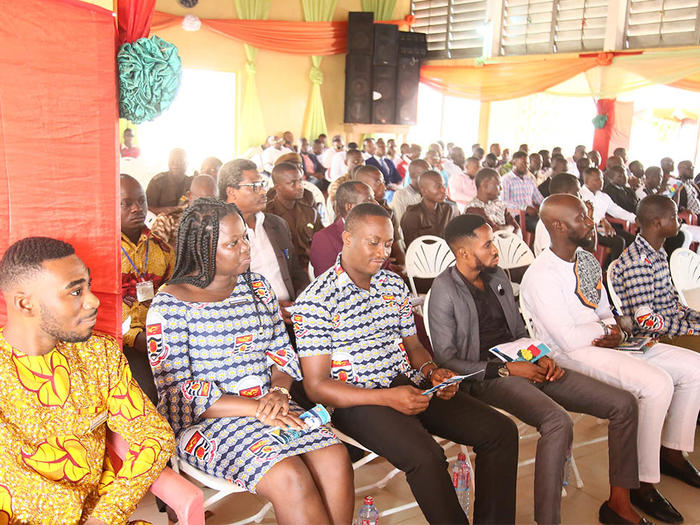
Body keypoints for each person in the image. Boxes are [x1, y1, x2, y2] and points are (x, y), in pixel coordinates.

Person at [294, 203, 519, 525]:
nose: (382, 252)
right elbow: (317, 387)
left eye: (387, 244)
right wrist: (386, 398)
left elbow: (413, 345)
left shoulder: (392, 285)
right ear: (346, 238)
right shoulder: (317, 300)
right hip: (356, 399)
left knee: (500, 431)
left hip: (409, 386)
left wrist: (432, 372)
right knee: (426, 457)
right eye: (374, 242)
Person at [146, 199, 353, 524]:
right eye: (233, 243)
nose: (246, 247)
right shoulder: (170, 306)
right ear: (203, 250)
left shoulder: (257, 286)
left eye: (245, 237)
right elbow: (177, 396)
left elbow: (281, 354)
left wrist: (279, 393)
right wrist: (255, 408)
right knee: (289, 476)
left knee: (335, 456)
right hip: (211, 423)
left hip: (274, 406)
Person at [429, 215, 643, 525]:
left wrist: (540, 355)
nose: (495, 249)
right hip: (486, 377)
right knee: (557, 421)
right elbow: (447, 360)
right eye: (487, 244)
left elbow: (518, 331)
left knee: (624, 404)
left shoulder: (498, 276)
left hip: (524, 363)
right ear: (463, 252)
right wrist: (505, 370)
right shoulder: (444, 290)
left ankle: (620, 504)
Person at [522, 194, 700, 524]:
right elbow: (568, 339)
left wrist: (613, 331)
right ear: (559, 226)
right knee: (657, 383)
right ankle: (642, 483)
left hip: (606, 342)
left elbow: (608, 313)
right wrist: (606, 329)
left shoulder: (587, 260)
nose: (591, 222)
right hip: (571, 356)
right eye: (582, 218)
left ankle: (672, 452)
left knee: (694, 368)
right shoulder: (541, 275)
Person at [0, 237, 174, 523]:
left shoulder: (99, 354)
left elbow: (153, 434)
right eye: (75, 292)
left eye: (89, 286)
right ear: (25, 304)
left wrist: (107, 514)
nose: (94, 300)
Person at [219, 159, 309, 327]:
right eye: (254, 186)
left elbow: (296, 272)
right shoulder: (218, 233)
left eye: (263, 184)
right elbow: (218, 290)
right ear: (232, 191)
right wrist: (268, 310)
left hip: (290, 318)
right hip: (247, 325)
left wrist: (303, 303)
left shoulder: (276, 224)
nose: (263, 191)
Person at [612, 195, 700, 352]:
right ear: (657, 223)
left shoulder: (657, 252)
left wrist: (696, 318)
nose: (679, 221)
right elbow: (646, 320)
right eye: (674, 217)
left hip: (670, 329)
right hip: (655, 339)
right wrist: (692, 328)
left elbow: (672, 305)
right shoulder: (639, 261)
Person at [120, 174, 175, 404]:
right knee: (148, 395)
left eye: (141, 201)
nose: (137, 209)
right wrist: (135, 337)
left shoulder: (161, 249)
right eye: (126, 203)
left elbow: (176, 295)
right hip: (123, 343)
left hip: (161, 337)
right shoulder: (102, 252)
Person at [309, 181, 377, 277]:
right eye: (369, 200)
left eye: (374, 198)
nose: (376, 204)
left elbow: (386, 271)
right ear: (349, 207)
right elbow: (326, 284)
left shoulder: (376, 230)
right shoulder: (324, 239)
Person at [266, 162, 323, 271]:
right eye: (292, 183)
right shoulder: (268, 215)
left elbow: (321, 240)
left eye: (300, 181)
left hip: (310, 267)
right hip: (284, 271)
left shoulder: (310, 212)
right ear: (277, 187)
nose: (300, 186)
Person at [580, 167, 636, 267]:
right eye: (597, 179)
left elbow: (617, 211)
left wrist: (636, 219)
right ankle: (611, 271)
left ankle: (624, 268)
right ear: (587, 181)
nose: (601, 181)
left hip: (602, 228)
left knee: (632, 239)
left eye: (601, 178)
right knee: (618, 241)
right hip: (588, 230)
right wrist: (602, 220)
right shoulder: (581, 194)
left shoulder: (603, 196)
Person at [355, 165, 406, 272]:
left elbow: (397, 243)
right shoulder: (353, 215)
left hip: (387, 266)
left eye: (383, 182)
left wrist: (403, 266)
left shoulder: (387, 211)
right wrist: (386, 266)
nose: (384, 187)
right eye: (378, 183)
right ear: (364, 185)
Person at [150, 173, 218, 248]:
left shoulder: (222, 221)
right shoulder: (168, 220)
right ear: (189, 196)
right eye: (202, 200)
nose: (208, 205)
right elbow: (154, 253)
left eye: (212, 200)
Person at [401, 170, 458, 248]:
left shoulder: (448, 209)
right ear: (423, 191)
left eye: (443, 185)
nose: (443, 190)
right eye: (438, 187)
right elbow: (410, 247)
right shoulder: (413, 214)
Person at [533, 173, 583, 255]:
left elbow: (590, 248)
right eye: (578, 192)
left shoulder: (569, 217)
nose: (580, 197)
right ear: (566, 194)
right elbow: (549, 256)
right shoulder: (548, 221)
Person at [465, 168, 520, 233]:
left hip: (507, 242)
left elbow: (517, 228)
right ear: (485, 185)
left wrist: (506, 229)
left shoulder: (499, 204)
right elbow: (493, 231)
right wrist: (510, 228)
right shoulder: (473, 208)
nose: (501, 188)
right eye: (498, 184)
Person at [501, 150, 544, 232]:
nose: (526, 166)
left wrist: (548, 205)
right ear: (514, 163)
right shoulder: (506, 180)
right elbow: (504, 202)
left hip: (531, 214)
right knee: (540, 227)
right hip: (515, 216)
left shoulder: (529, 180)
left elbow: (539, 198)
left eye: (527, 163)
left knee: (548, 223)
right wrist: (525, 208)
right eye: (523, 163)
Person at [146, 148, 192, 215]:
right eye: (172, 160)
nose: (175, 164)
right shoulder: (158, 182)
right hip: (160, 222)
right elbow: (148, 208)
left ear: (187, 163)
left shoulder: (191, 182)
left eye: (180, 161)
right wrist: (176, 209)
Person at [391, 159, 428, 224]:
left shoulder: (429, 193)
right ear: (412, 175)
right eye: (424, 173)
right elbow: (401, 223)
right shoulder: (400, 195)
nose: (429, 177)